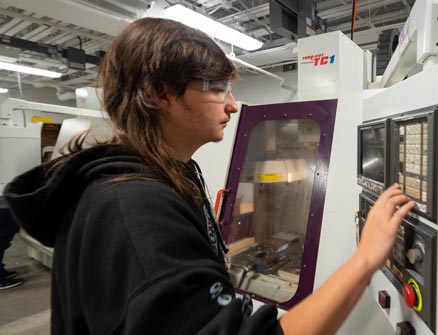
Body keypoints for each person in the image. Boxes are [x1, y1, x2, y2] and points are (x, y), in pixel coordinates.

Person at [3, 17, 414, 334]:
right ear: (160, 93)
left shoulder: (162, 177)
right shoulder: (133, 211)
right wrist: (365, 259)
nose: (233, 106)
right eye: (217, 88)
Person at [0, 197, 24, 290]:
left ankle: (1, 271)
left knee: (2, 242)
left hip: (5, 205)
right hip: (3, 207)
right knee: (1, 242)